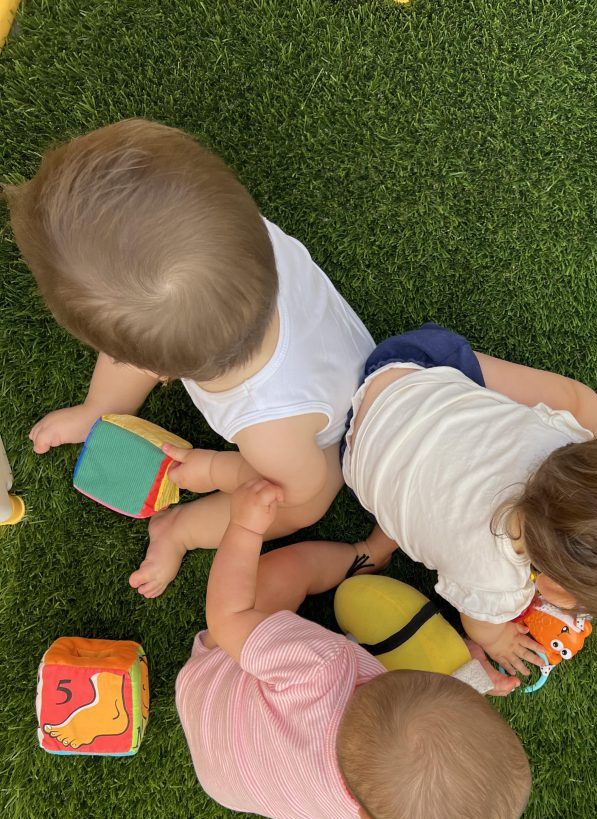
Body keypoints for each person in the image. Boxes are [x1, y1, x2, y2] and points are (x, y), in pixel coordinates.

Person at [176, 478, 579, 819]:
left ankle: (365, 552)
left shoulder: (319, 670)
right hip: (225, 780)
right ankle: (361, 554)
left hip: (213, 686)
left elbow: (226, 620)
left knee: (276, 580)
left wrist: (245, 528)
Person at [5, 118, 374, 597]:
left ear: (158, 373)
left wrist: (221, 469)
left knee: (304, 500)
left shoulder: (268, 428)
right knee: (148, 315)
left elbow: (299, 487)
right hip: (311, 352)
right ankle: (99, 409)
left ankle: (180, 529)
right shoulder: (238, 244)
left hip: (326, 425)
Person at [341, 324, 597, 674]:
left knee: (582, 402)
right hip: (362, 466)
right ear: (556, 588)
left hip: (401, 374)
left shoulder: (557, 431)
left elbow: (578, 421)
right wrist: (497, 638)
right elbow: (479, 623)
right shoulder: (497, 587)